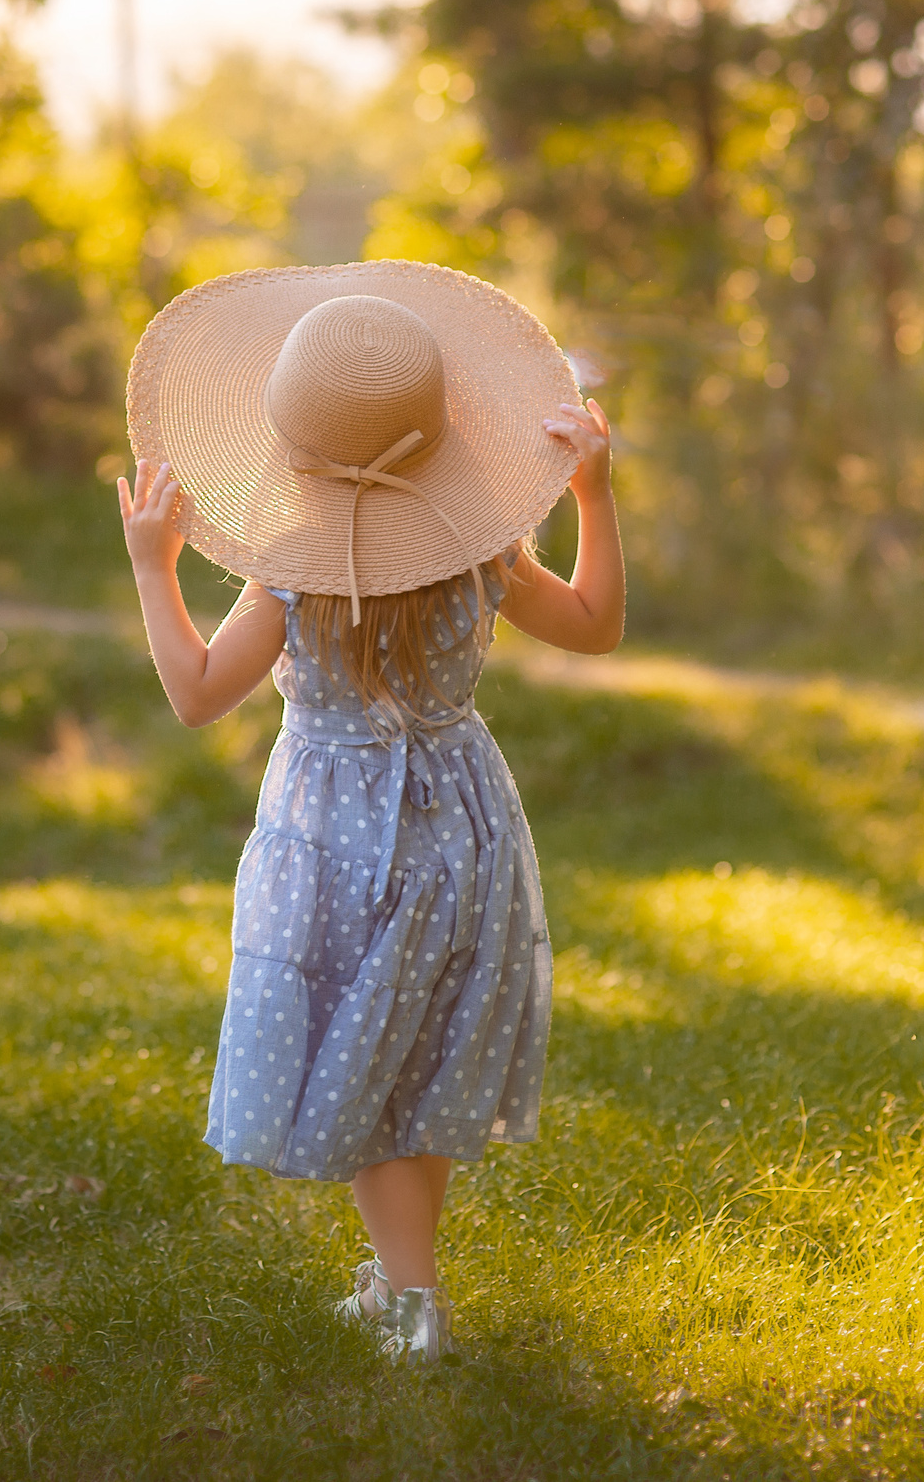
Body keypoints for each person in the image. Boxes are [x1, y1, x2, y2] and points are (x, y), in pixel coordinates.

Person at [116, 262, 624, 1365]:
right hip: (461, 820)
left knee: (362, 1047)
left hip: (332, 833)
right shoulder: (483, 553)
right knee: (417, 1049)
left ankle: (410, 1297)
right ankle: (406, 1280)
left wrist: (154, 568)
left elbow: (198, 694)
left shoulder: (288, 575)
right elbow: (593, 624)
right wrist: (591, 494)